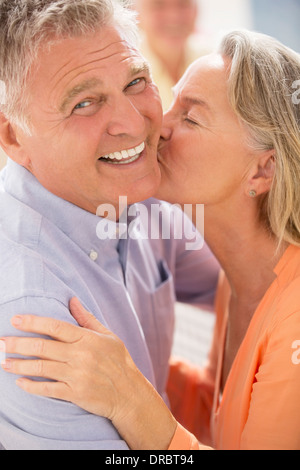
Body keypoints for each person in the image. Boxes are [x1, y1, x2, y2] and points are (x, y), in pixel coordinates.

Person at [4, 29, 300, 451]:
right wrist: (121, 367)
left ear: (262, 171)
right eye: (173, 101)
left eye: (192, 118)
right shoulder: (237, 283)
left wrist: (131, 400)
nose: (157, 126)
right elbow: (233, 412)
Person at [0, 0, 219, 450]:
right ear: (13, 136)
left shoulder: (136, 195)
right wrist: (137, 407)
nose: (133, 123)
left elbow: (240, 273)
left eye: (136, 81)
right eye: (84, 103)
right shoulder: (34, 310)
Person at [134, 0, 210, 110]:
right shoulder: (126, 71)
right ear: (136, 13)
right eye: (158, 5)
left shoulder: (215, 60)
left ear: (196, 10)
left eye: (183, 3)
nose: (174, 16)